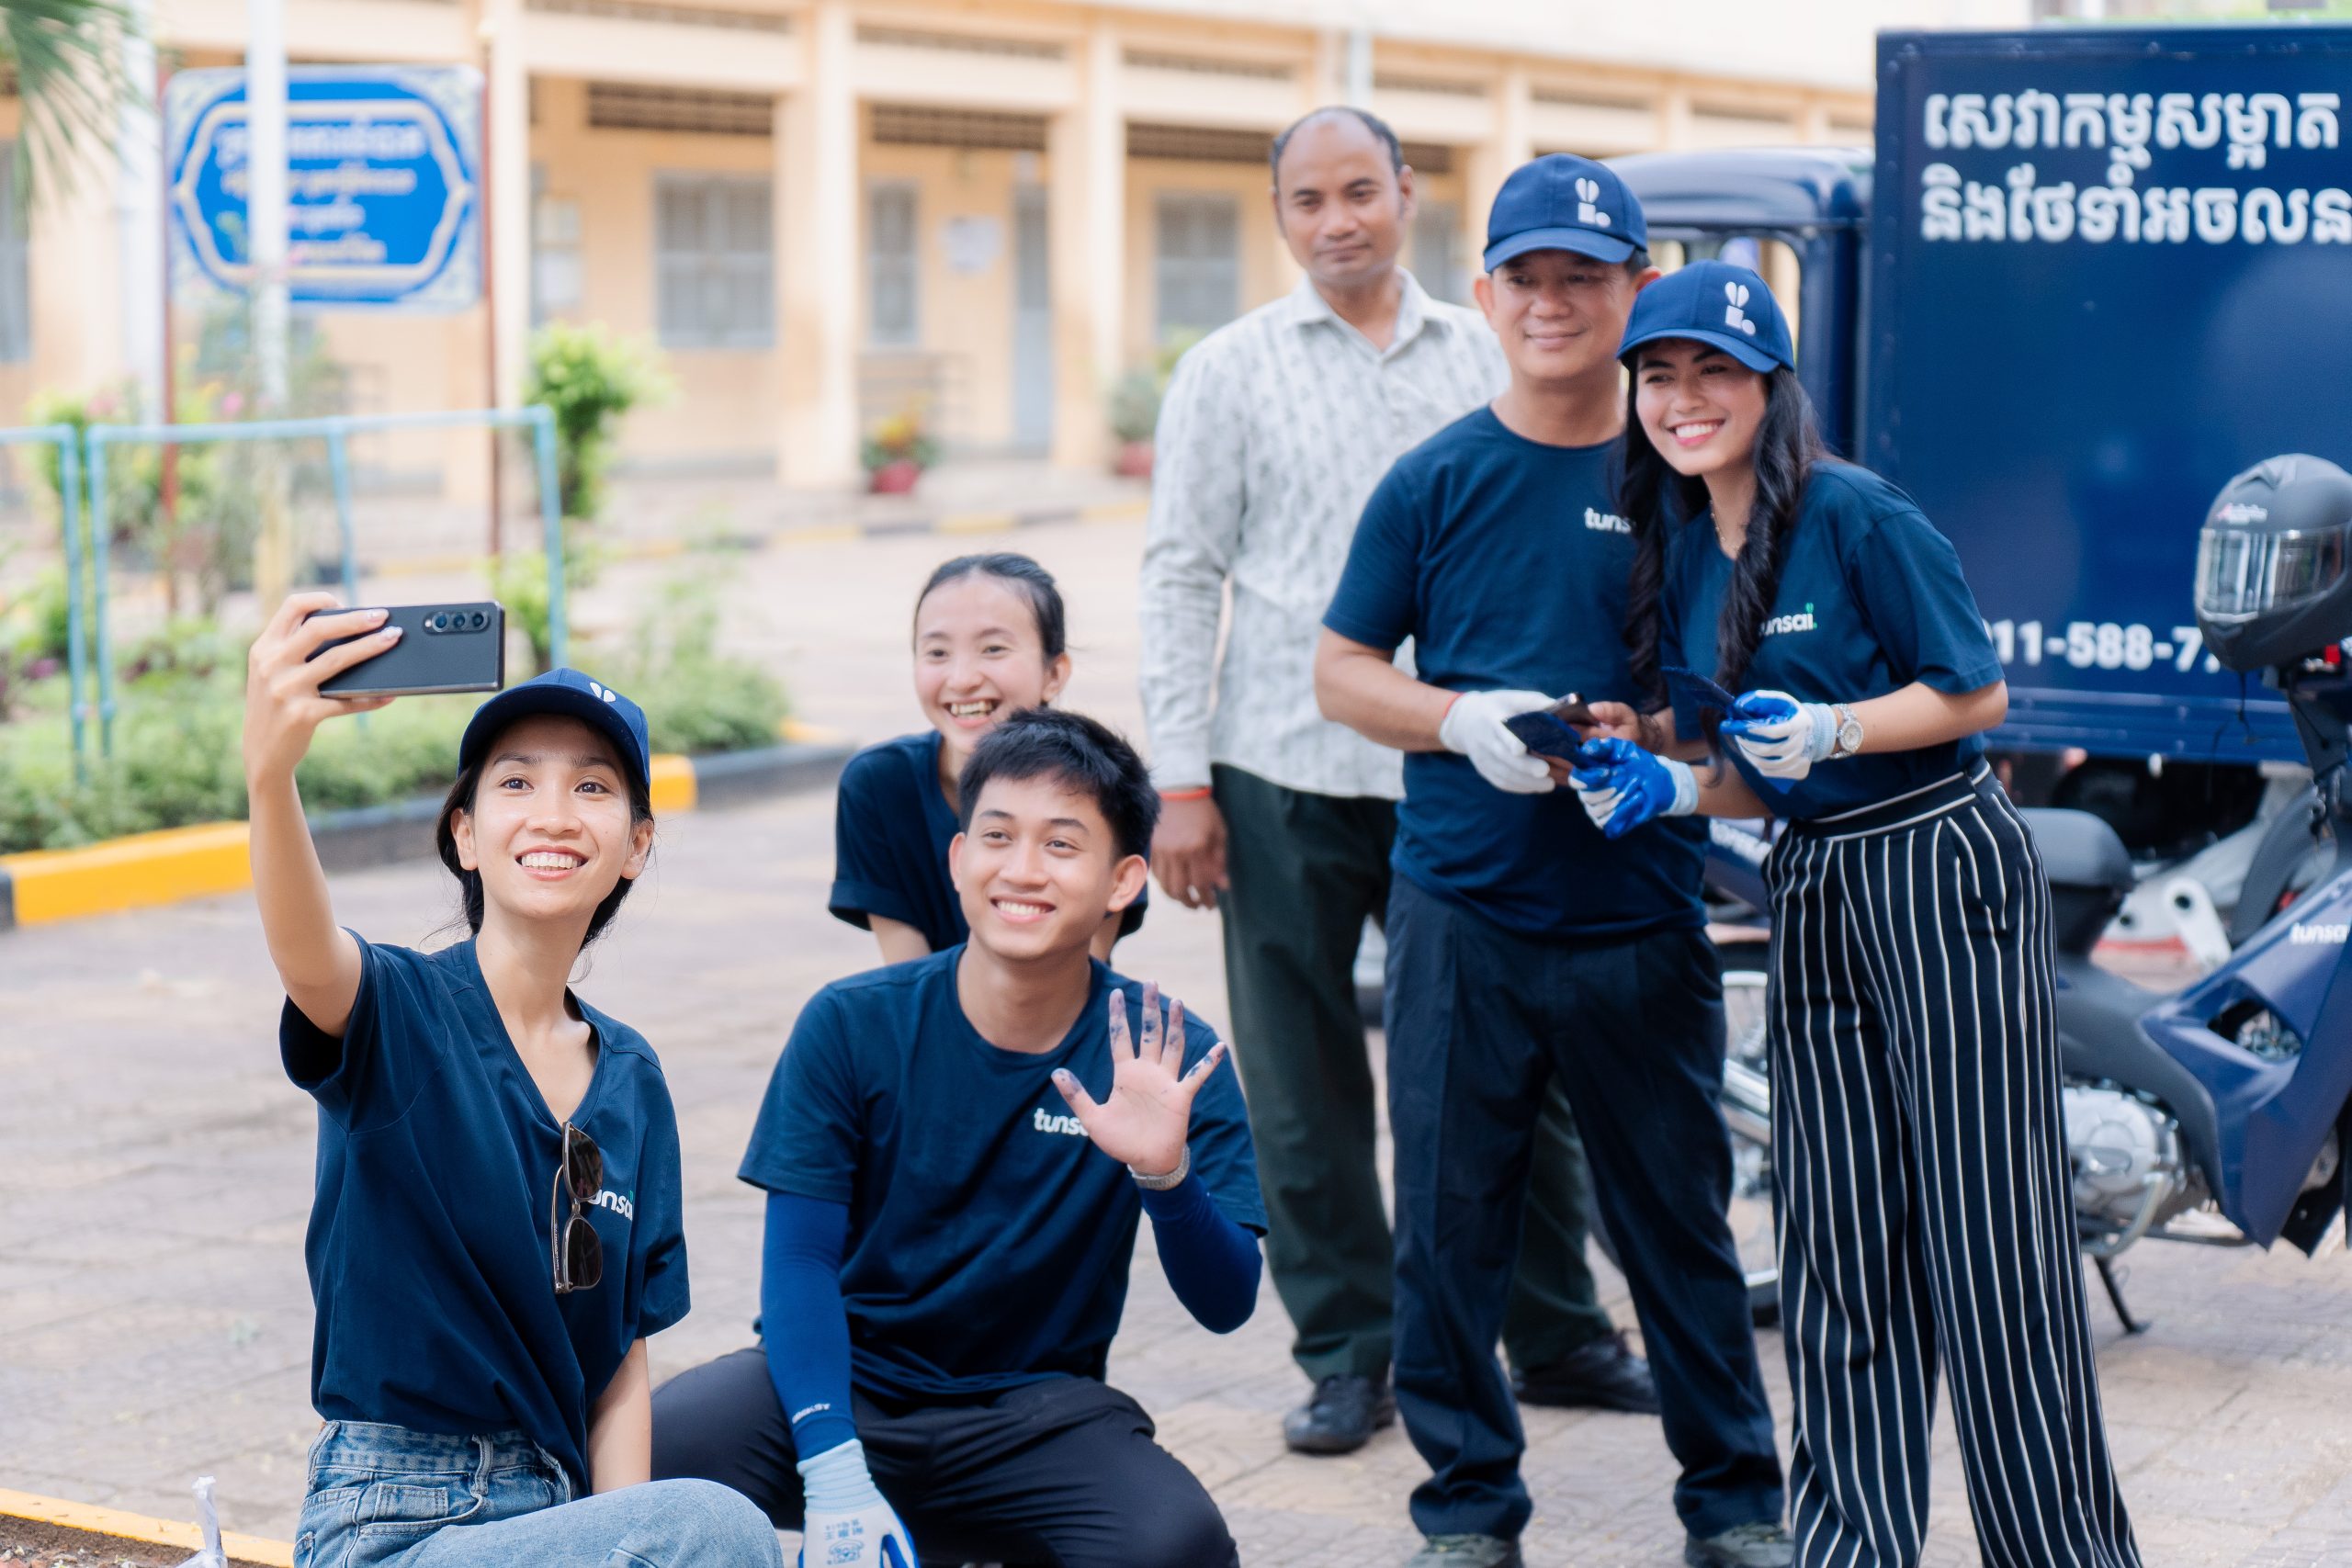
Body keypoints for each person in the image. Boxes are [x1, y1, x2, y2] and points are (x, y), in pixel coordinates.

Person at [1571, 259, 2143, 1568]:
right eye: (1658, 375)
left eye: (1714, 371)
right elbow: (1747, 764)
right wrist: (1671, 783)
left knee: (1990, 1238)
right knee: (1836, 1239)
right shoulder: (1679, 547)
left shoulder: (1855, 515)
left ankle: (2058, 1550)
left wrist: (1838, 725)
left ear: (1771, 385)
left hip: (1939, 861)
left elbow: (1975, 691)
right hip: (1815, 876)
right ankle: (1851, 1544)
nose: (1683, 398)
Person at [1140, 103, 1651, 1461]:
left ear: (1407, 193)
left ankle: (1556, 1328)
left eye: (1358, 190)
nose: (1337, 221)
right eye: (1307, 200)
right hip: (1282, 768)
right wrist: (1179, 780)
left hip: (1481, 771)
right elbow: (1182, 574)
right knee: (1301, 1078)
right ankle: (1347, 1351)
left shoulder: (1495, 342)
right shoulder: (1229, 370)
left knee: (1517, 1064)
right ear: (1279, 217)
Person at [1313, 157, 1789, 1568]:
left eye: (1585, 275)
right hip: (1461, 913)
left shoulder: (1694, 480)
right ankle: (1468, 1510)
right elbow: (1342, 669)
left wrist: (1646, 737)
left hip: (1640, 917)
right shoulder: (1436, 478)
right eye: (1527, 277)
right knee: (1448, 1227)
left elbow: (1745, 706)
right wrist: (1461, 719)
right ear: (1486, 294)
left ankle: (1736, 1504)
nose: (1554, 301)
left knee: (1679, 1225)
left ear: (1637, 289)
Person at [650, 708, 1265, 1568]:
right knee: (649, 1456)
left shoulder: (1167, 1057)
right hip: (847, 1380)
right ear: (957, 858)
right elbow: (799, 1264)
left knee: (1175, 1544)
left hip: (1036, 1412)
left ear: (1124, 880)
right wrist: (831, 1468)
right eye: (998, 836)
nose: (1022, 869)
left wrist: (1167, 1178)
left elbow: (1229, 1302)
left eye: (1061, 844)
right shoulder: (853, 1023)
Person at [240, 594, 783, 1568]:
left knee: (698, 1533)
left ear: (637, 844)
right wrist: (270, 774)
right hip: (392, 1524)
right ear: (465, 832)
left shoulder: (632, 1079)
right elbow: (306, 955)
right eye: (517, 781)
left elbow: (617, 1365)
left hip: (557, 1519)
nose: (553, 814)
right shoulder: (399, 1009)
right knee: (722, 1528)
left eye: (593, 787)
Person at [834, 551, 1140, 965]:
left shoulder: (1108, 786)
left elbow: (1079, 975)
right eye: (937, 652)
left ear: (1054, 674)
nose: (962, 679)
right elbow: (908, 981)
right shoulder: (878, 784)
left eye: (993, 649)